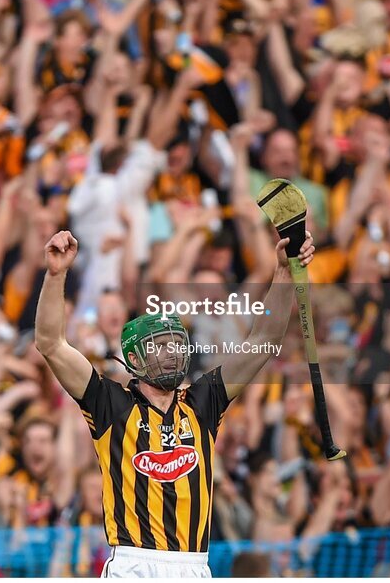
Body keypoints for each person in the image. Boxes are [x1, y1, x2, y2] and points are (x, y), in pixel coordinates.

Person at [34, 228, 314, 577]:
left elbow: (265, 337)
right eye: (159, 346)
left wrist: (284, 271)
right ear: (133, 359)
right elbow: (50, 343)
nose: (171, 353)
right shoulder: (109, 403)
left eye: (175, 344)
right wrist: (56, 274)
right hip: (132, 565)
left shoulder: (204, 400)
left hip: (193, 567)